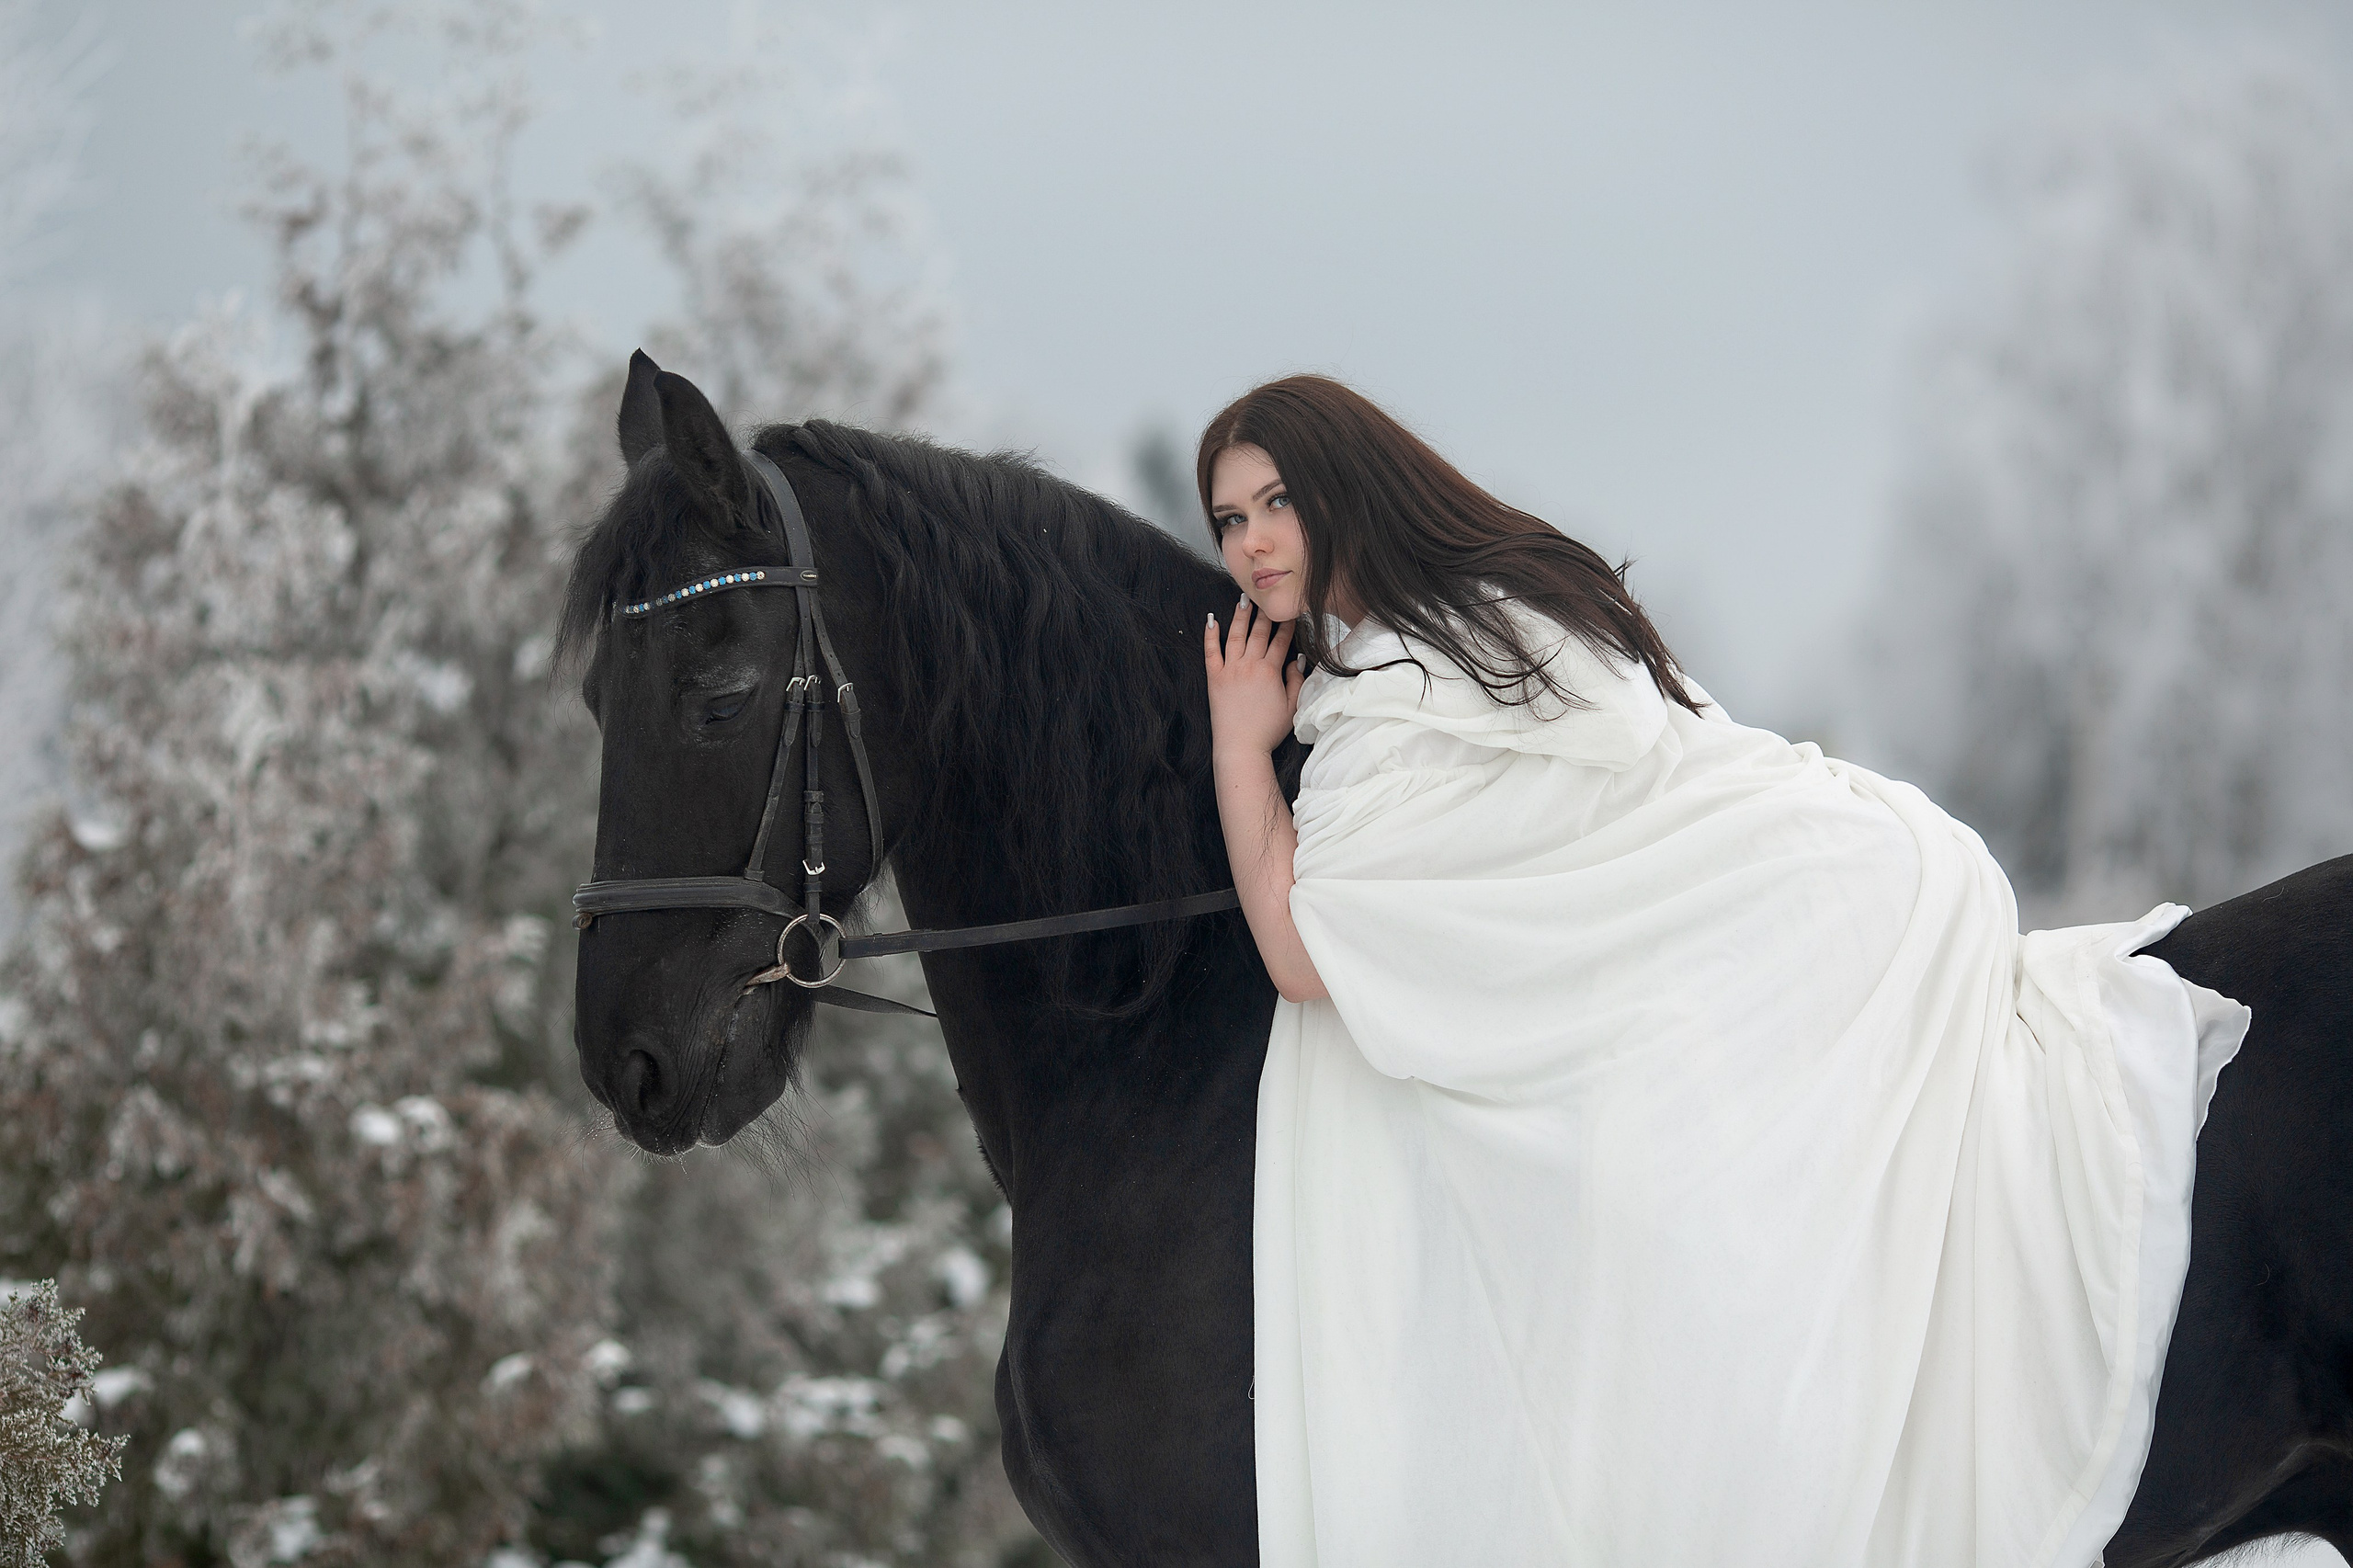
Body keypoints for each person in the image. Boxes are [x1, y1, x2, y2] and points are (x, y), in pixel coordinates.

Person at [1196, 374, 2249, 1568]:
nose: (1252, 542)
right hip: (1809, 876)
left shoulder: (1428, 671)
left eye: (1275, 500)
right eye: (1229, 519)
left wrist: (1240, 746)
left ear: (1344, 482)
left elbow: (1300, 947)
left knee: (1682, 1232)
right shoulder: (1440, 648)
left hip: (1786, 906)